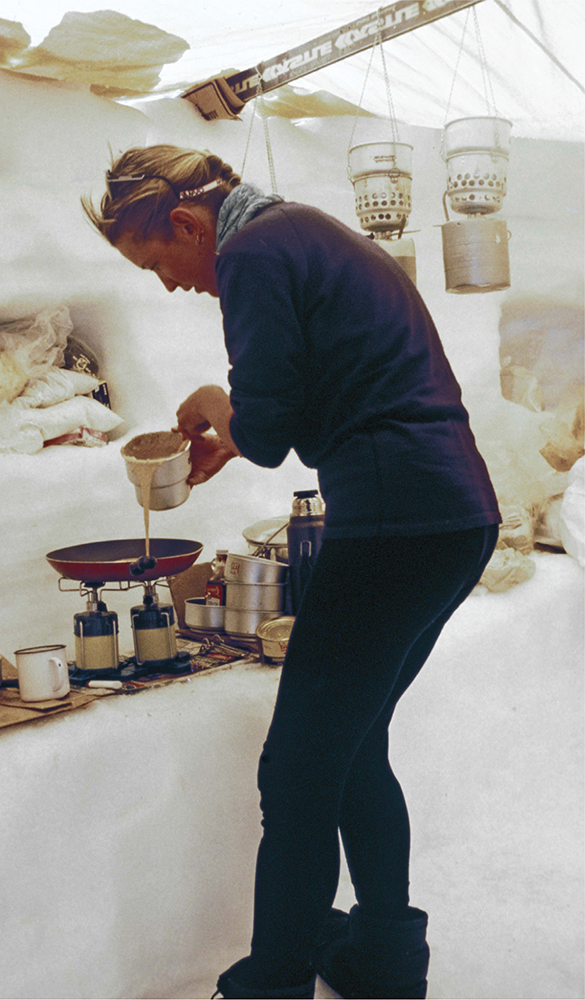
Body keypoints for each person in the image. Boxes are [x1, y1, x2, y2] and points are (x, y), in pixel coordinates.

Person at [82, 144, 501, 1000]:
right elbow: (307, 400)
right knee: (349, 750)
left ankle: (272, 982)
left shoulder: (252, 253)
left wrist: (214, 404)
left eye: (159, 261)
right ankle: (385, 960)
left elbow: (270, 431)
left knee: (298, 771)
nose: (168, 285)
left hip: (394, 525)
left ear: (189, 225)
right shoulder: (304, 234)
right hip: (451, 517)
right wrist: (234, 423)